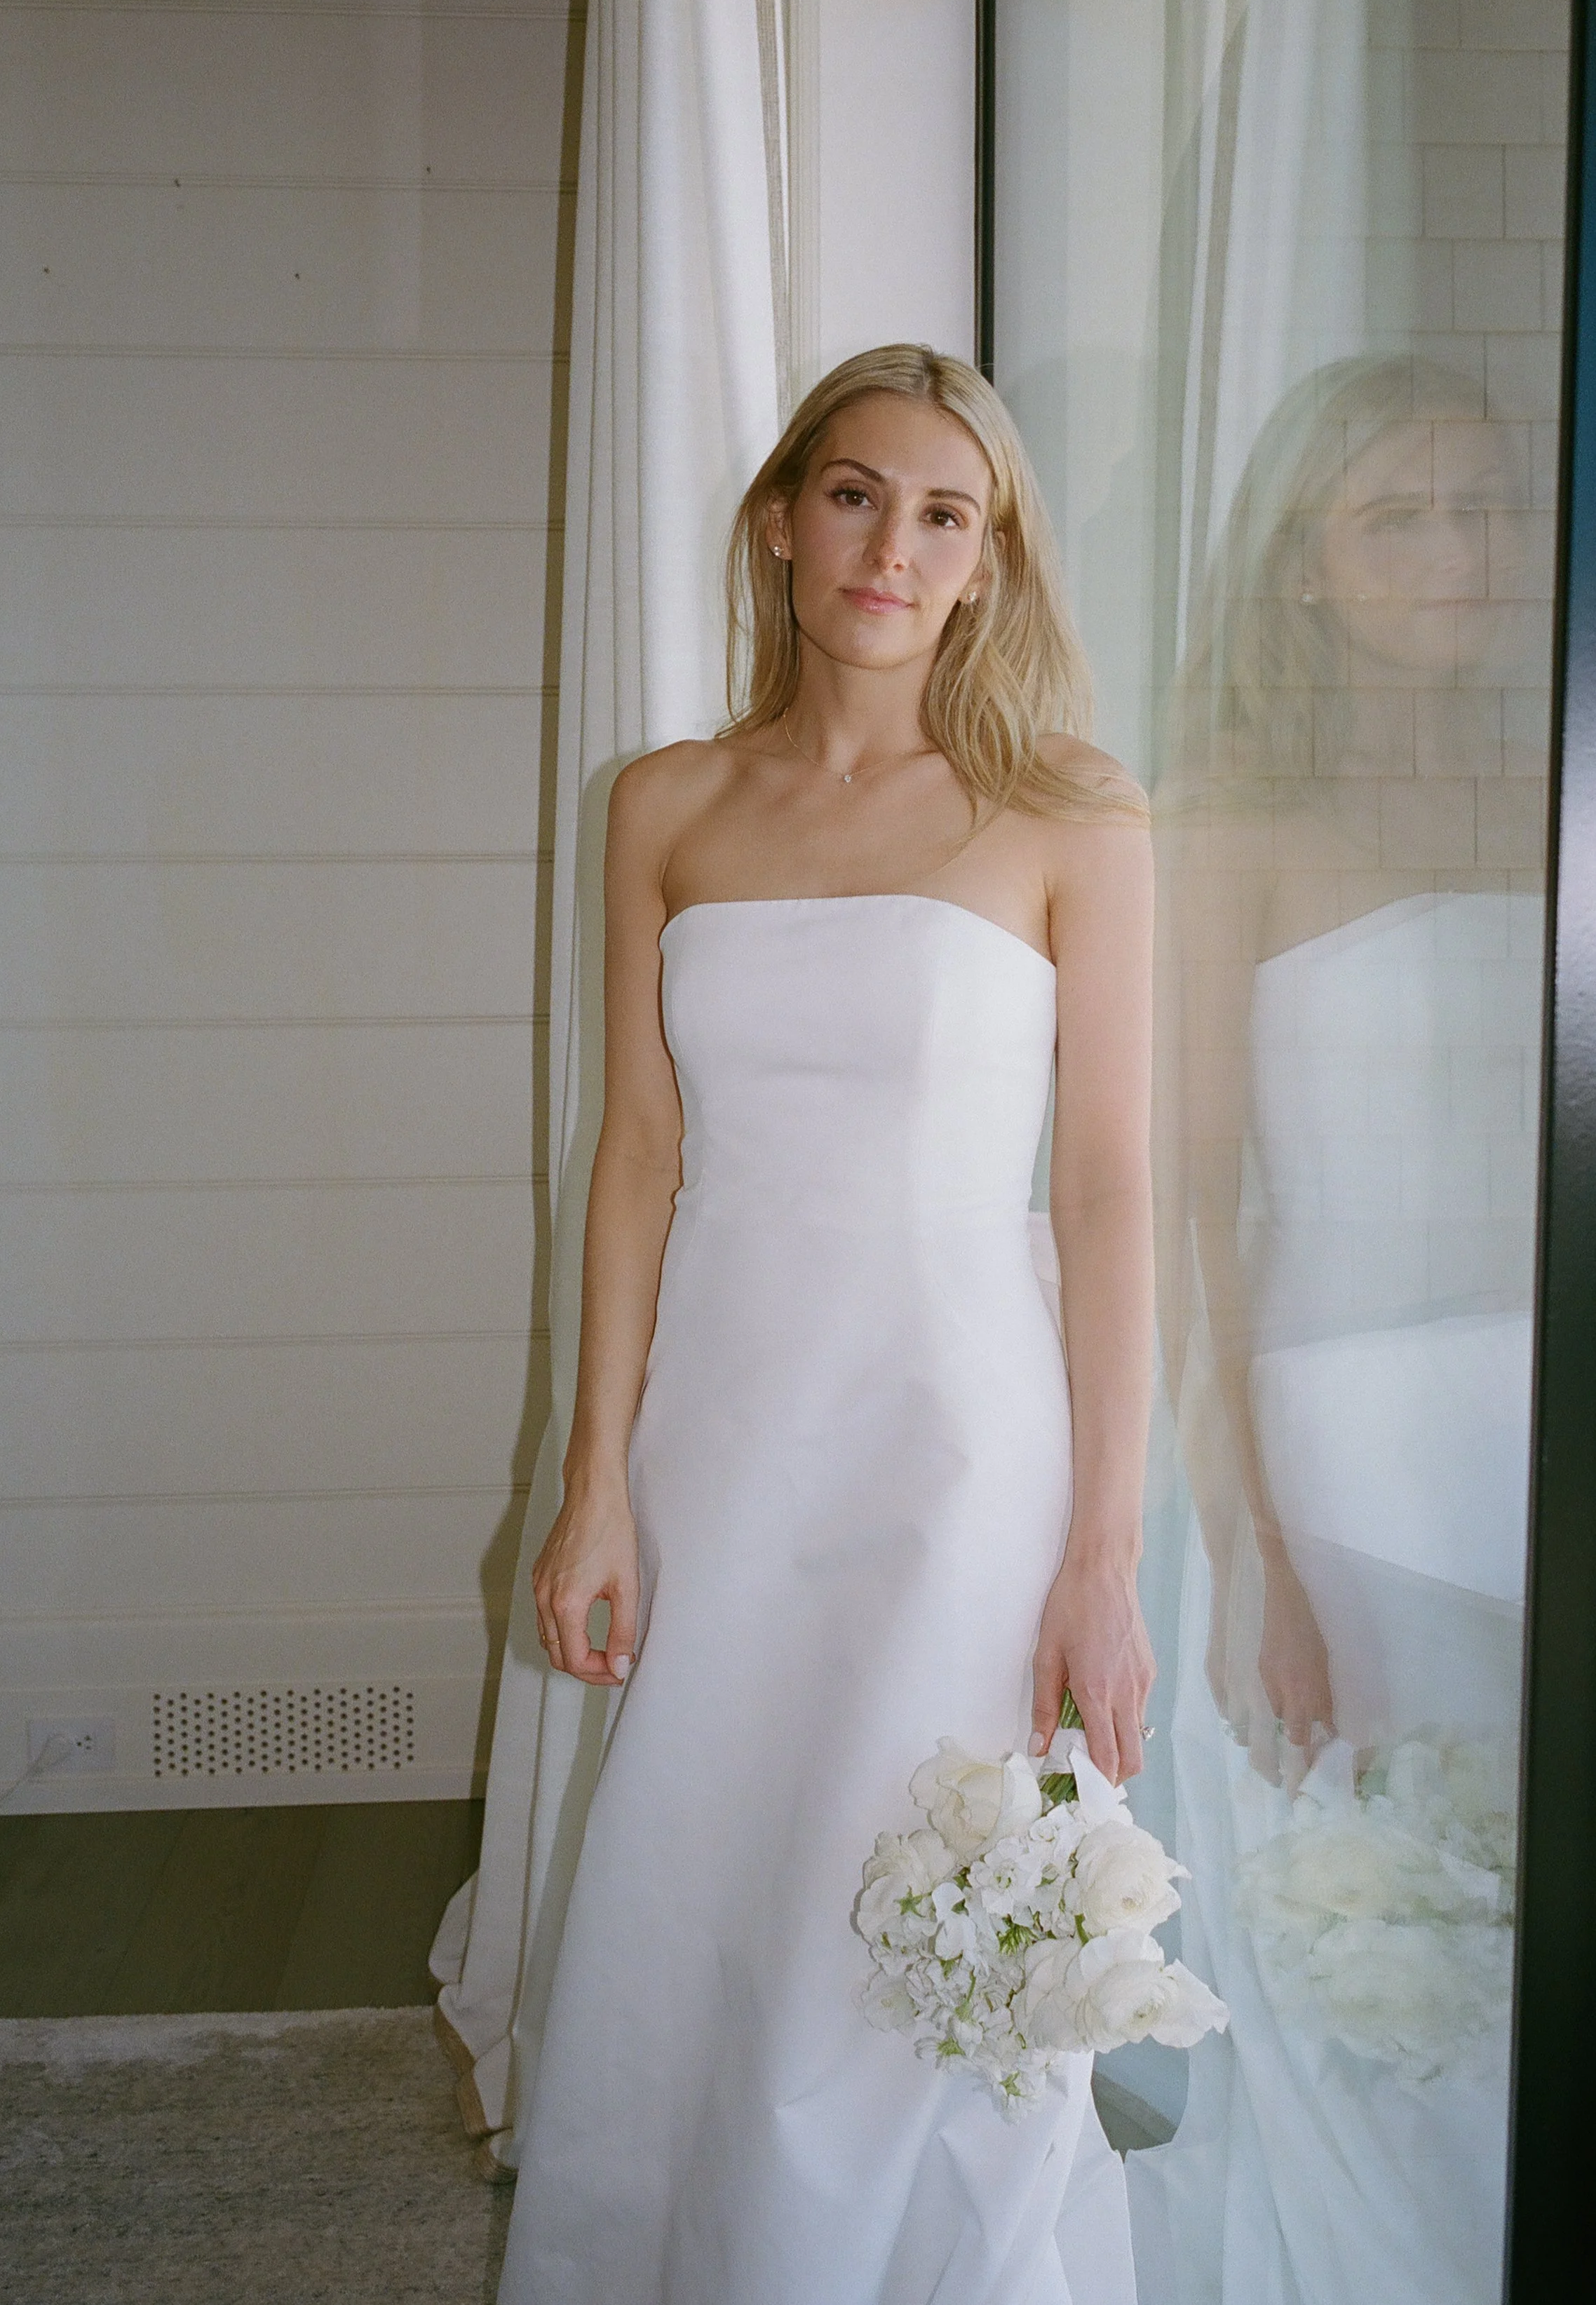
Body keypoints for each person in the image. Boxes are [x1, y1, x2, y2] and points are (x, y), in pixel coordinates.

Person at [496, 344, 1156, 2304]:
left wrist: (1102, 1549)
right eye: (856, 494)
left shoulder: (1070, 817)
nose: (892, 545)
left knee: (922, 1889)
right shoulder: (665, 805)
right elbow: (637, 1146)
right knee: (710, 1865)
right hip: (725, 1418)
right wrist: (592, 1478)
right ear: (780, 521)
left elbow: (1108, 1190)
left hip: (957, 1435)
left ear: (990, 566)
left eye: (944, 513)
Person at [1130, 356, 1544, 2305]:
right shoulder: (1230, 818)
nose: (1458, 552)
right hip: (1353, 1429)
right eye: (1402, 516)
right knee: (1392, 1898)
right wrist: (1248, 1545)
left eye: (1481, 509)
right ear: (1300, 565)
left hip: (1546, 1400)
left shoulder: (1551, 767)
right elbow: (1188, 1202)